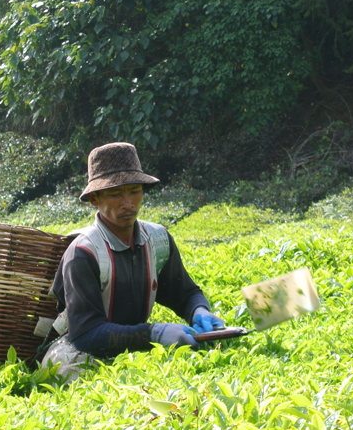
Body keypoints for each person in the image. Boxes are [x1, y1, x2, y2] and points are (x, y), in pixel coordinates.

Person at [41, 142, 225, 379]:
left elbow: (185, 293)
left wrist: (199, 311)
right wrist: (153, 334)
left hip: (129, 344)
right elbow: (86, 334)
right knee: (75, 372)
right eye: (115, 194)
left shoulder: (157, 239)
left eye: (135, 191)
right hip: (77, 347)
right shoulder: (83, 253)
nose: (128, 203)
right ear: (94, 199)